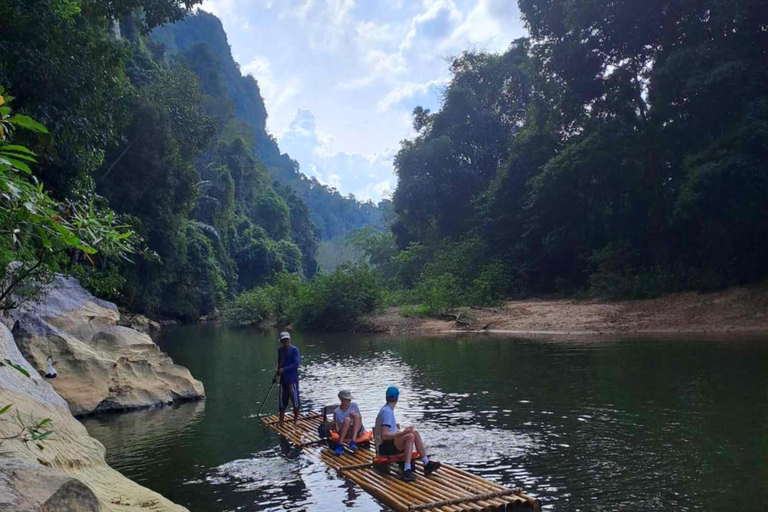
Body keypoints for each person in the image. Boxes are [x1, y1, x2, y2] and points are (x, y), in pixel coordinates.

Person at [374, 386, 440, 482]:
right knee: (410, 436)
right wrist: (403, 433)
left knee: (415, 433)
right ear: (397, 398)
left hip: (390, 443)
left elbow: (390, 432)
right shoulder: (387, 412)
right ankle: (407, 470)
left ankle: (426, 463)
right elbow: (384, 435)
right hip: (383, 447)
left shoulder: (387, 410)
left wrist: (403, 432)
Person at [274, 331, 300, 427]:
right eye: (283, 340)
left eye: (286, 339)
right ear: (281, 341)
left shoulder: (294, 350)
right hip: (283, 380)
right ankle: (281, 420)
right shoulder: (280, 350)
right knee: (282, 400)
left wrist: (284, 369)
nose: (285, 341)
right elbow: (279, 364)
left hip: (292, 379)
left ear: (289, 339)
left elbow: (296, 364)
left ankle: (296, 419)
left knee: (295, 399)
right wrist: (276, 376)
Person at [333, 390, 364, 456]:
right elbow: (337, 428)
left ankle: (353, 441)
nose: (349, 401)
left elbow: (360, 419)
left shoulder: (354, 405)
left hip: (356, 430)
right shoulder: (337, 412)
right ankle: (340, 444)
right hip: (346, 432)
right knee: (347, 420)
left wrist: (354, 416)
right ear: (341, 399)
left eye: (349, 399)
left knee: (356, 416)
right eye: (347, 399)